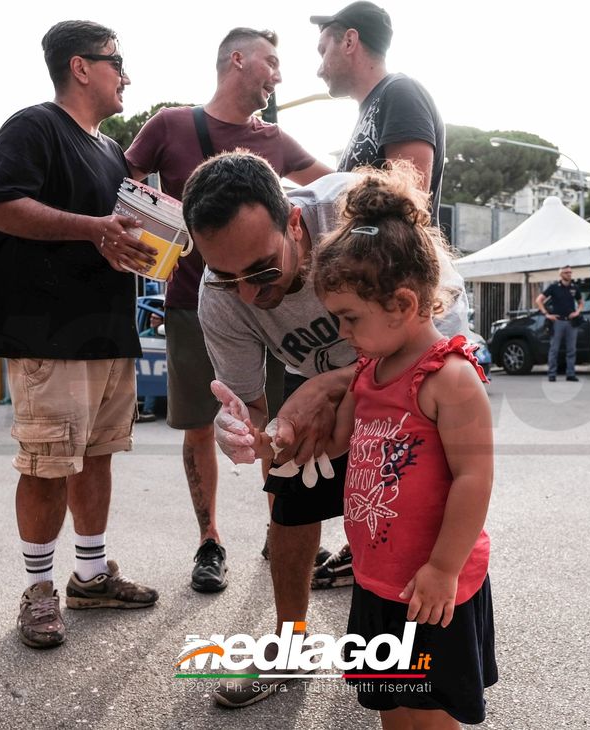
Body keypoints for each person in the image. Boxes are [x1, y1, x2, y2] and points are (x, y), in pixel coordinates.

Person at [181, 151, 471, 708]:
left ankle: (415, 648)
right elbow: (252, 407)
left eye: (262, 270)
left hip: (419, 386)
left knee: (408, 511)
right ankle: (291, 643)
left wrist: (334, 385)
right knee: (288, 490)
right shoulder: (219, 298)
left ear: (295, 222)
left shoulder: (362, 221)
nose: (246, 292)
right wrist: (250, 432)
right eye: (226, 275)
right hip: (319, 385)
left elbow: (445, 346)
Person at [125, 28, 331, 593]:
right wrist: (156, 235)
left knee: (276, 423)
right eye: (271, 61)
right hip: (199, 304)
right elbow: (119, 187)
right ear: (237, 60)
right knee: (204, 421)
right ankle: (210, 540)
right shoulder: (170, 123)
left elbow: (329, 185)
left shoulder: (277, 139)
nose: (279, 74)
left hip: (278, 308)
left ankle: (281, 523)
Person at [0, 20, 159, 650]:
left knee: (99, 456)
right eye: (116, 62)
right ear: (80, 67)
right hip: (47, 335)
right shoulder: (33, 127)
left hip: (108, 332)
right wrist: (93, 229)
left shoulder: (112, 151)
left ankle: (88, 576)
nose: (125, 75)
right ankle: (37, 590)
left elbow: (116, 230)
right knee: (47, 464)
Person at [310, 165, 497, 728]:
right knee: (391, 705)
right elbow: (342, 440)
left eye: (349, 317)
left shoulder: (450, 378)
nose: (341, 330)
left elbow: (474, 478)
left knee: (432, 714)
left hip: (431, 586)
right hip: (377, 579)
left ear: (403, 304)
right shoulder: (370, 368)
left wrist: (443, 567)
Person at [309, 0, 448, 589]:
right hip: (379, 304)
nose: (317, 64)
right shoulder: (371, 110)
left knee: (411, 434)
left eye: (322, 48)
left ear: (349, 41)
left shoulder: (400, 93)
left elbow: (404, 192)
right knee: (377, 429)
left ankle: (428, 561)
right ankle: (371, 542)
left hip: (398, 300)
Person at [536, 266, 584, 382]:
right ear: (561, 274)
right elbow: (539, 300)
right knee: (554, 349)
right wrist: (546, 314)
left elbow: (581, 302)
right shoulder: (554, 287)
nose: (569, 274)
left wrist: (577, 312)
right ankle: (552, 374)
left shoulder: (574, 287)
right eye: (566, 272)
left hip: (571, 322)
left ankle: (570, 374)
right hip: (558, 321)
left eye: (570, 272)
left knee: (571, 350)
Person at [137, 311, 165, 422]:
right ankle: (147, 411)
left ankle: (147, 409)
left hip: (159, 369)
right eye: (151, 317)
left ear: (162, 322)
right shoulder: (145, 334)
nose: (152, 320)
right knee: (151, 381)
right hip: (148, 368)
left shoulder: (166, 333)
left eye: (156, 318)